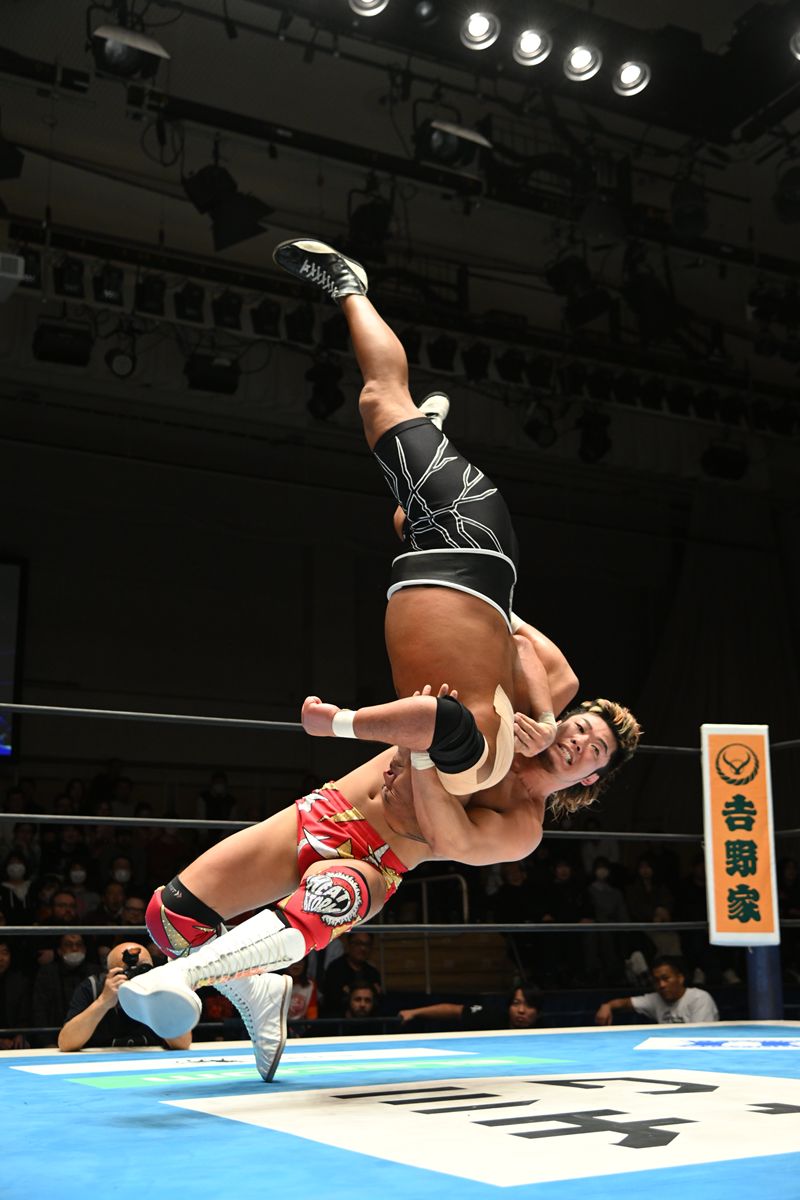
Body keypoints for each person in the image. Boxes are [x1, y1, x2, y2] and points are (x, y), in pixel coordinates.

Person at [118, 241, 640, 1080]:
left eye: (592, 750)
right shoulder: (535, 702)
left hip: (377, 849)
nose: (579, 739)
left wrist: (419, 758)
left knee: (173, 918)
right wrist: (540, 715)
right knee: (378, 404)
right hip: (461, 555)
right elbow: (515, 649)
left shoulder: (521, 823)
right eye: (585, 730)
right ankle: (356, 297)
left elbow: (443, 832)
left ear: (590, 783)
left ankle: (247, 985)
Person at [58, 941, 192, 1052]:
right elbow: (66, 1043)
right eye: (129, 971)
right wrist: (103, 1002)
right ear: (109, 973)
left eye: (144, 969)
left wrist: (157, 999)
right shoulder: (92, 988)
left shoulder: (163, 988)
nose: (138, 977)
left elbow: (183, 1043)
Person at [594, 954, 720, 1026]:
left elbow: (699, 1038)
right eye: (656, 980)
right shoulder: (656, 999)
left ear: (680, 978)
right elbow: (625, 1003)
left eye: (666, 978)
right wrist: (607, 1006)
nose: (661, 985)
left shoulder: (699, 998)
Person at [399, 984, 542, 1031]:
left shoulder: (547, 1032)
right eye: (516, 1003)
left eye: (529, 1005)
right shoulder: (491, 1016)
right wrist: (414, 1012)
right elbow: (454, 1010)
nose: (521, 1010)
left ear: (538, 1011)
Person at [321, 929, 382, 1016]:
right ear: (349, 944)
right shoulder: (335, 969)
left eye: (367, 944)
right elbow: (330, 1002)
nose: (363, 948)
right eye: (358, 943)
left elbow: (378, 1003)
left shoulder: (373, 972)